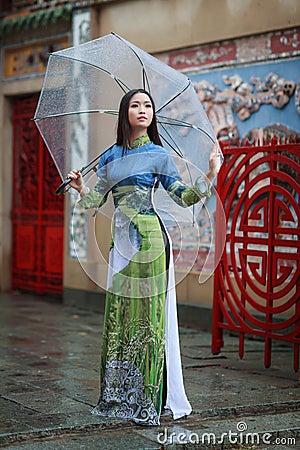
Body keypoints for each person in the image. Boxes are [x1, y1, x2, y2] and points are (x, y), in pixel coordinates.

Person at [67, 88, 221, 426]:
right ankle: (119, 393)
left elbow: (183, 198)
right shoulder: (110, 156)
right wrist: (80, 188)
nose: (143, 110)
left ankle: (149, 397)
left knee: (149, 321)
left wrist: (210, 173)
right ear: (125, 113)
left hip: (150, 241)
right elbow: (96, 200)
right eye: (135, 105)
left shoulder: (159, 156)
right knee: (119, 319)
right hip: (119, 246)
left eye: (147, 105)